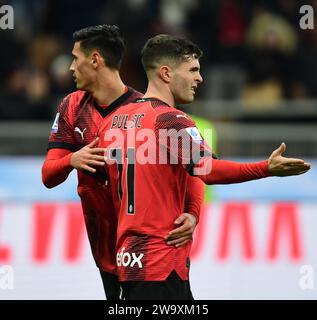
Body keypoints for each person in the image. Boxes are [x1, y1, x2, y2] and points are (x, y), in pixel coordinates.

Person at [98, 34, 310, 300]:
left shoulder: (112, 122)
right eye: (193, 70)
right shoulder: (170, 120)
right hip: (161, 259)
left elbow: (104, 193)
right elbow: (207, 169)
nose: (200, 78)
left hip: (128, 260)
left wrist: (193, 212)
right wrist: (265, 168)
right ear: (166, 73)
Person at [41, 26, 203, 300]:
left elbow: (194, 168)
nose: (70, 67)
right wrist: (72, 159)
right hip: (103, 239)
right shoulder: (70, 107)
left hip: (147, 242)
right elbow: (48, 176)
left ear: (94, 60)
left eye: (74, 58)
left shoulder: (147, 111)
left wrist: (193, 212)